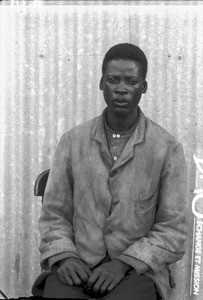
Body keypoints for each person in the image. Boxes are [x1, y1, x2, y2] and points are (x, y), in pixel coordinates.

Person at [32, 43, 187, 300]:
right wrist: (64, 256)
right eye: (113, 80)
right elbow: (54, 215)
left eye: (131, 81)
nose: (121, 89)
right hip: (78, 264)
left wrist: (124, 263)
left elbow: (173, 229)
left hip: (137, 272)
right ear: (102, 83)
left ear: (144, 87)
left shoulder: (167, 148)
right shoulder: (73, 141)